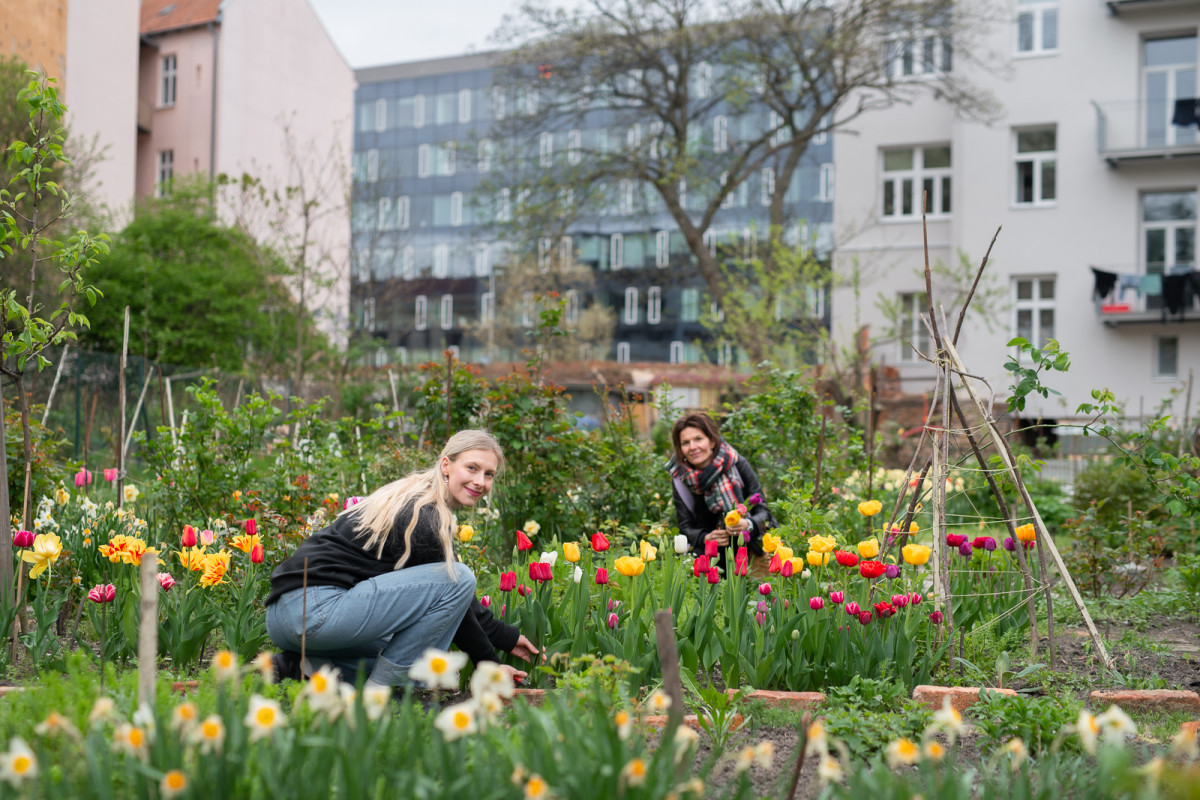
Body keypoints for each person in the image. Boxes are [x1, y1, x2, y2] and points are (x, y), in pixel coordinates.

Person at [265, 429, 538, 690]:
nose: (481, 481)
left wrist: (507, 638)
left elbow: (454, 603)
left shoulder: (410, 494)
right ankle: (384, 694)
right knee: (459, 579)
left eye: (489, 474)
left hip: (283, 617)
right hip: (317, 613)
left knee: (407, 654)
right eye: (472, 468)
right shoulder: (425, 514)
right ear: (446, 465)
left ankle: (302, 668)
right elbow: (456, 594)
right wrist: (488, 662)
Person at [666, 412, 773, 573]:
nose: (693, 447)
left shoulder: (736, 463)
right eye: (685, 443)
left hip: (749, 551)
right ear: (680, 449)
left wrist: (747, 525)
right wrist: (704, 537)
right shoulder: (681, 478)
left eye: (698, 439)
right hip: (709, 557)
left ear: (712, 441)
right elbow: (685, 526)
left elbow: (764, 511)